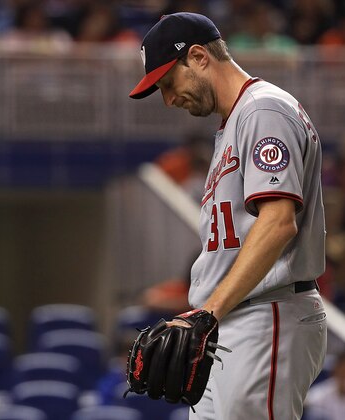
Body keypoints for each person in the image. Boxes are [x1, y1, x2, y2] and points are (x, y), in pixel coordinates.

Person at [129, 12, 327, 420]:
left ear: (199, 57)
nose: (168, 99)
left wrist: (208, 311)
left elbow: (278, 222)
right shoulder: (236, 121)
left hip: (266, 314)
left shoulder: (262, 110)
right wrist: (205, 314)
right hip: (231, 321)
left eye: (169, 83)